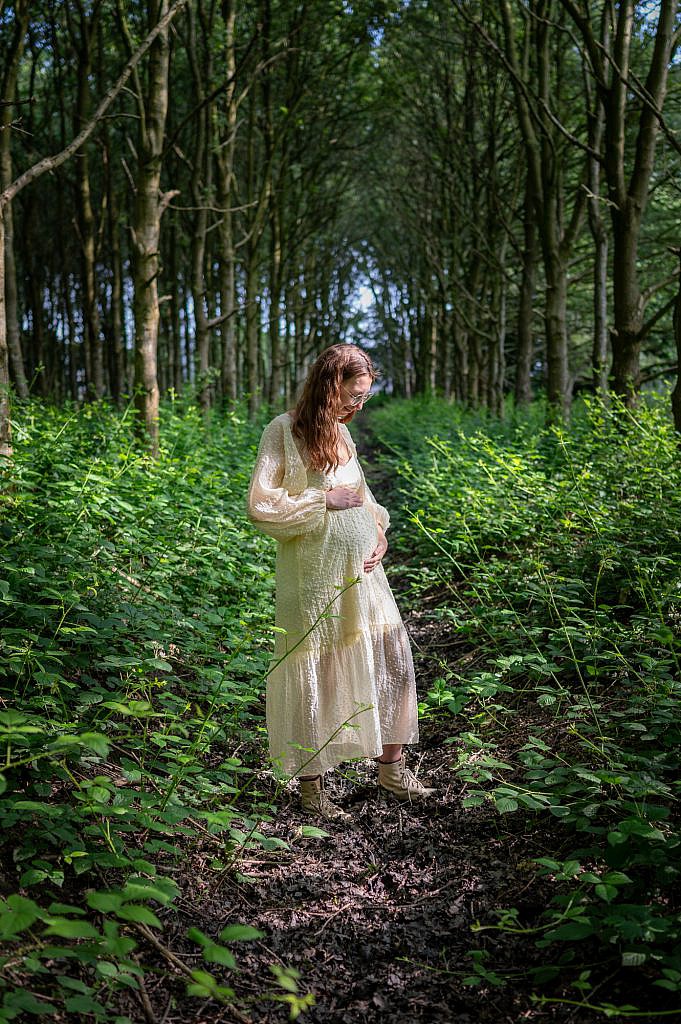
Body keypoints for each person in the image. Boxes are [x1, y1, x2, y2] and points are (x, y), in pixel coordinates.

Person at [247, 344, 433, 821]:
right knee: (318, 676)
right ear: (330, 386)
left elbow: (365, 497)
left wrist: (378, 534)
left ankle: (392, 771)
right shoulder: (283, 431)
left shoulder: (343, 436)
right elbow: (262, 505)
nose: (358, 406)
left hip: (364, 576)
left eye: (365, 397)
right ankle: (313, 791)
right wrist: (322, 501)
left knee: (393, 657)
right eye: (354, 395)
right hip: (312, 578)